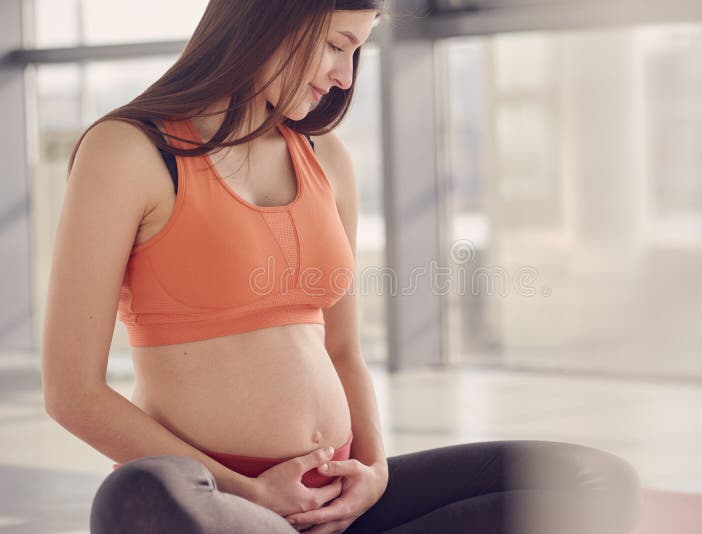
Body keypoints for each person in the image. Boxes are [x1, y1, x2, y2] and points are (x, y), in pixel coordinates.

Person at [40, 1, 640, 533]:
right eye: (336, 45)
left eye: (357, 50)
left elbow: (344, 349)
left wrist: (373, 472)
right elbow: (74, 393)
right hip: (220, 504)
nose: (344, 76)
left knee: (590, 480)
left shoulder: (326, 158)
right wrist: (249, 492)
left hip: (336, 499)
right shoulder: (130, 151)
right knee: (139, 497)